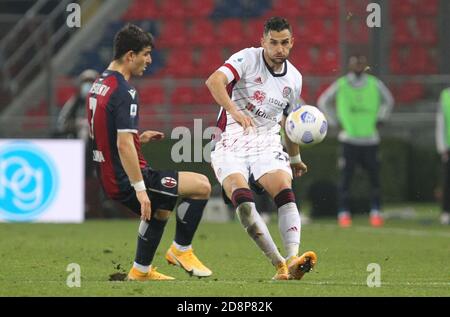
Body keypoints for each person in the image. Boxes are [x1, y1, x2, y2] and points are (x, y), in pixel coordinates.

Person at [87, 24, 212, 281]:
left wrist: (137, 138)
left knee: (162, 206)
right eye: (145, 53)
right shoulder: (125, 91)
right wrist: (139, 188)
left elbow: (103, 135)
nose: (149, 60)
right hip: (126, 176)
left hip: (108, 174)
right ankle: (181, 250)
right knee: (202, 186)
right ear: (130, 55)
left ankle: (140, 271)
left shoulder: (99, 84)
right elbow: (122, 145)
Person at [206, 17, 317, 281]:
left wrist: (295, 157)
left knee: (284, 190)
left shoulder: (294, 79)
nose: (279, 49)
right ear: (263, 41)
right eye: (274, 42)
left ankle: (292, 258)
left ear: (292, 43)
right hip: (229, 140)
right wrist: (234, 111)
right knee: (243, 202)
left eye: (285, 43)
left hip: (266, 143)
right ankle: (278, 263)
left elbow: (290, 123)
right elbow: (213, 82)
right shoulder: (246, 58)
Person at [318, 54, 394, 228]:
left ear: (365, 65)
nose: (359, 66)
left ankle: (376, 211)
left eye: (361, 63)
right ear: (350, 66)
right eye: (355, 63)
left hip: (370, 139)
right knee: (345, 178)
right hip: (349, 139)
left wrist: (382, 117)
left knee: (374, 179)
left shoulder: (375, 84)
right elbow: (324, 101)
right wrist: (334, 120)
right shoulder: (342, 84)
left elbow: (389, 101)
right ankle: (344, 213)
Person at [436, 87, 450, 225]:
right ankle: (446, 212)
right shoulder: (445, 95)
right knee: (447, 182)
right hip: (449, 147)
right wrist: (442, 147)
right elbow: (441, 122)